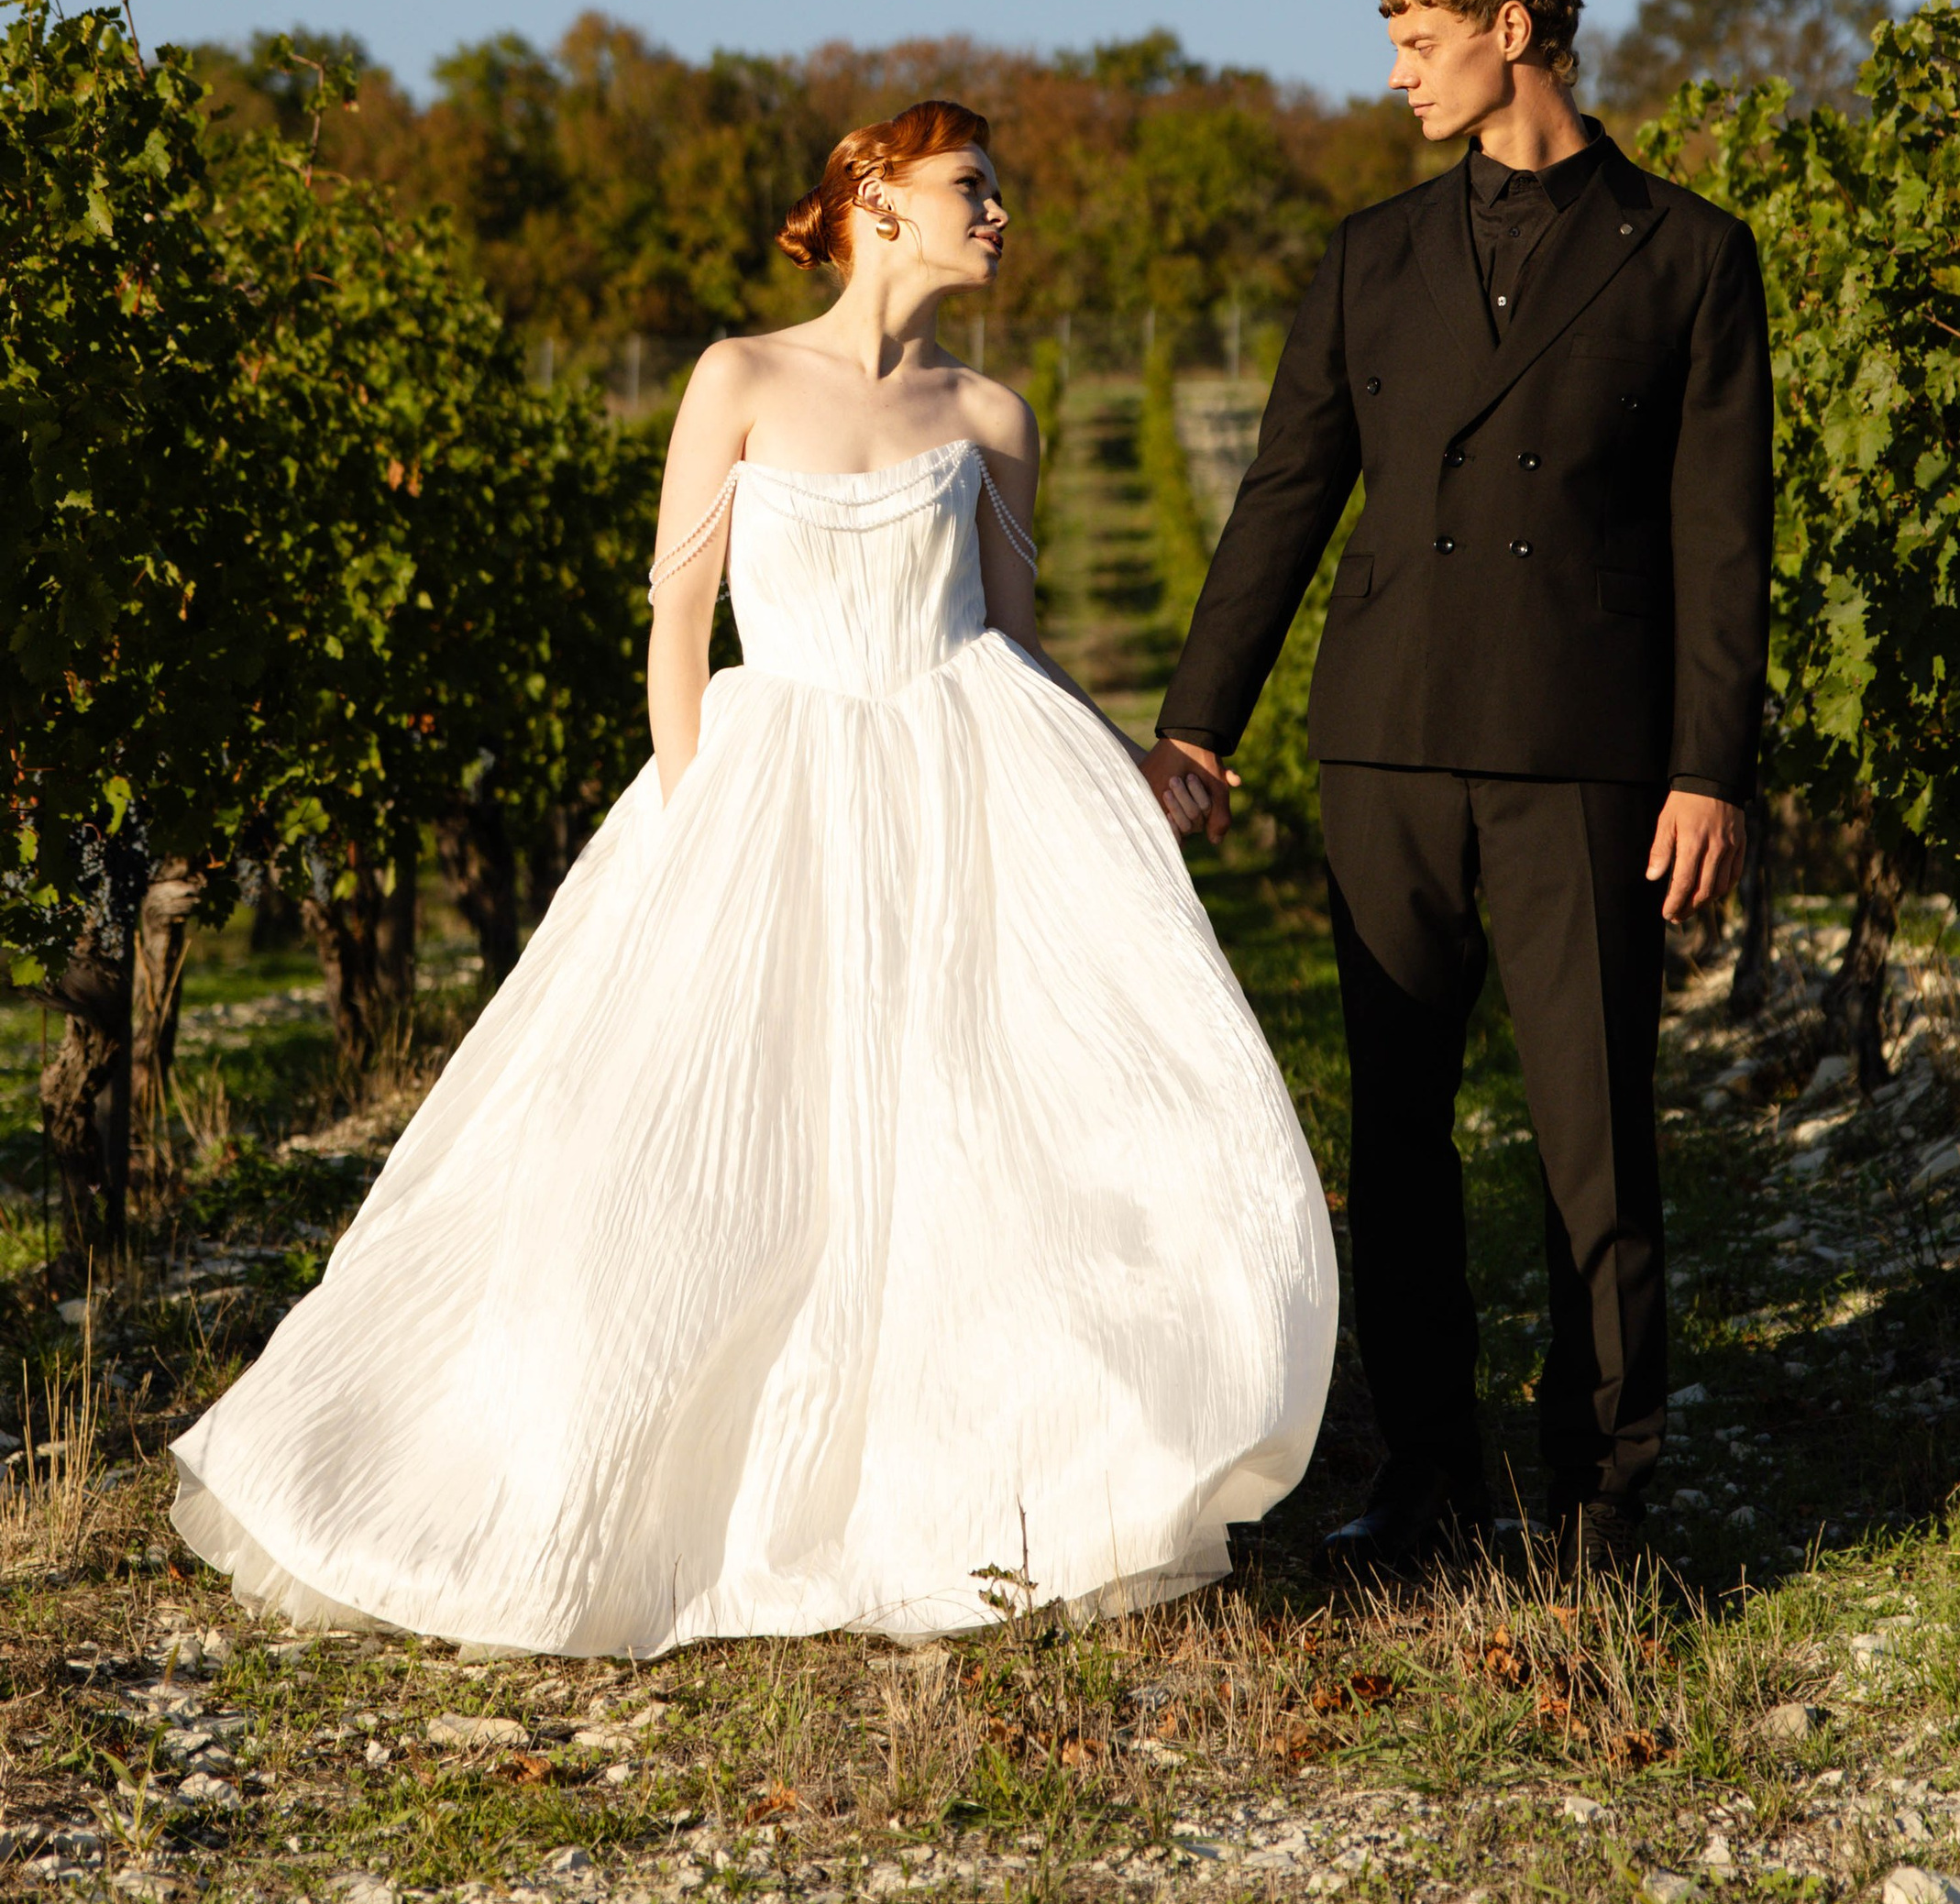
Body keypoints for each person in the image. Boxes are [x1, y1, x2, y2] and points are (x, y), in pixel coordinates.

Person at [173, 101, 1337, 1653]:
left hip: (954, 776)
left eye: (998, 192)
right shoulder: (734, 377)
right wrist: (688, 828)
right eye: (971, 189)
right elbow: (680, 628)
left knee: (980, 1127)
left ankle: (995, 1484)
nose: (1000, 215)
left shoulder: (993, 417)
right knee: (705, 1146)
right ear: (876, 197)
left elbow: (1016, 643)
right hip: (766, 779)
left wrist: (1131, 766)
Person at [1144, 0, 1770, 1579]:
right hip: (1391, 743)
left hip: (1589, 752)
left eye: (1418, 38)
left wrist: (1710, 764)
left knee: (1596, 1129)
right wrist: (1198, 724)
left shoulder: (1693, 255)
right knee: (1400, 1136)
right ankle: (1423, 1474)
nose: (1398, 75)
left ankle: (1600, 1498)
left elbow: (1724, 538)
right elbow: (1285, 496)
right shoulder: (1373, 257)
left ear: (1513, 24)